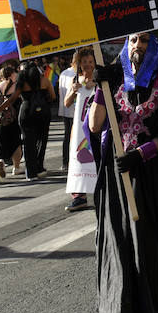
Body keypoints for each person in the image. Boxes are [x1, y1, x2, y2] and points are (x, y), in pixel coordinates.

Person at [85, 31, 158, 313]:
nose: (138, 46)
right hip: (116, 176)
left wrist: (141, 154)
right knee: (115, 242)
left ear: (154, 47)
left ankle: (154, 306)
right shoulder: (112, 80)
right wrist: (100, 91)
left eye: (144, 41)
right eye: (133, 41)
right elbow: (93, 125)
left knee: (147, 243)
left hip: (153, 177)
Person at [0, 61, 56, 179]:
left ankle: (31, 173)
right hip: (43, 112)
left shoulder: (22, 83)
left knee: (28, 142)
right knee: (41, 141)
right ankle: (39, 168)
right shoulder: (44, 81)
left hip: (26, 112)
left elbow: (12, 99)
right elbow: (53, 96)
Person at [64, 47, 97, 212]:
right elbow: (66, 103)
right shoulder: (76, 80)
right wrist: (73, 91)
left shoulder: (100, 78)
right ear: (79, 64)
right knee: (78, 159)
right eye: (84, 62)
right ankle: (79, 196)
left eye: (90, 61)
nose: (88, 65)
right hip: (78, 128)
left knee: (98, 158)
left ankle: (100, 192)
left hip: (97, 125)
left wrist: (96, 84)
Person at [0, 66, 23, 178]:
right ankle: (16, 167)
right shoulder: (17, 86)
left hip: (0, 121)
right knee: (16, 143)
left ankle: (1, 160)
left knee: (0, 144)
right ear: (12, 74)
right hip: (14, 120)